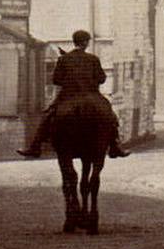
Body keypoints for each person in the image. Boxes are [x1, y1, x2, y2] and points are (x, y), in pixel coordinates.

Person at [18, 30, 130, 158]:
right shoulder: (93, 59)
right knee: (110, 114)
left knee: (48, 115)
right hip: (91, 96)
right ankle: (115, 145)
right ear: (86, 42)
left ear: (74, 41)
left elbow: (56, 80)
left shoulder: (63, 59)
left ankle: (35, 146)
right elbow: (102, 79)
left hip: (68, 96)